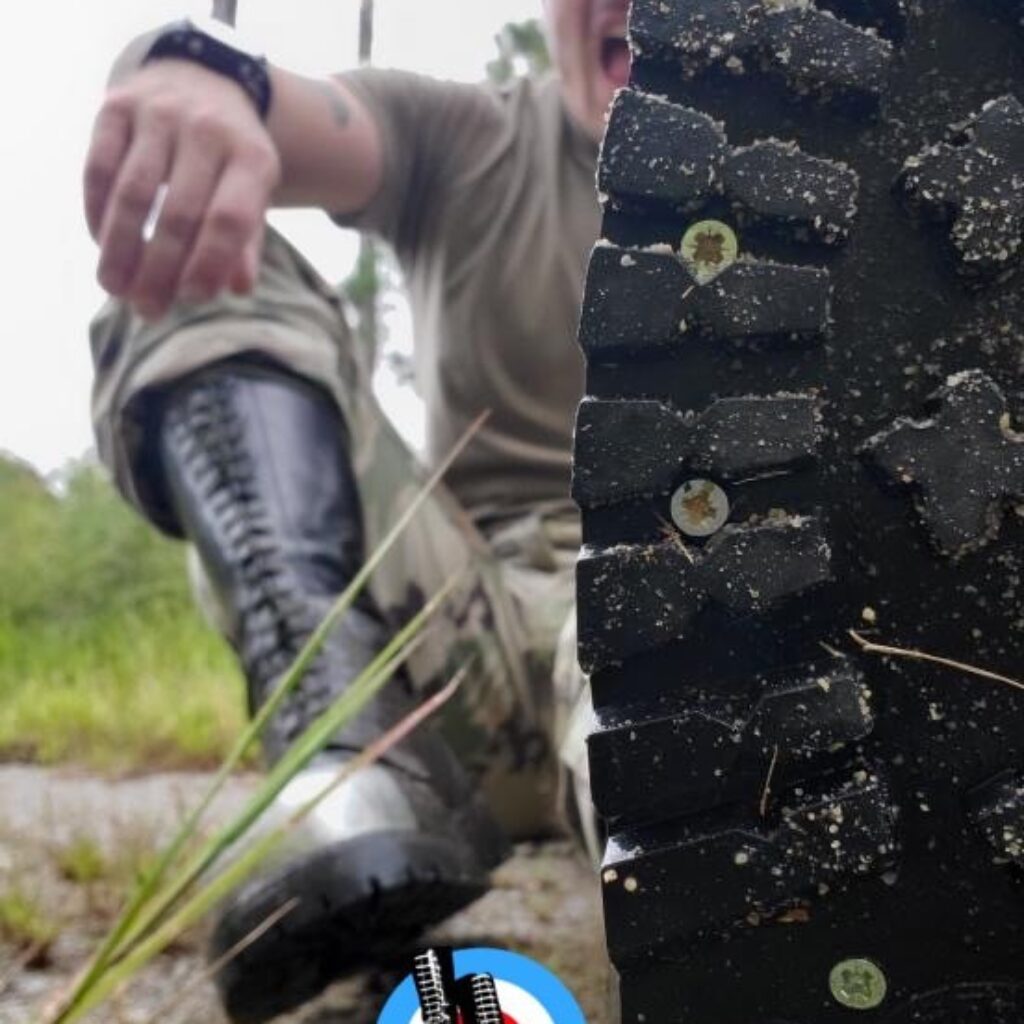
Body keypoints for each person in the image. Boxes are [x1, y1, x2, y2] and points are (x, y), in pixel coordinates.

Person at [85, 1, 628, 1020]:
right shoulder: (469, 134)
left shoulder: (840, 178)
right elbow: (272, 108)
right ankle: (348, 763)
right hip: (468, 653)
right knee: (201, 253)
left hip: (705, 635)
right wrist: (191, 76)